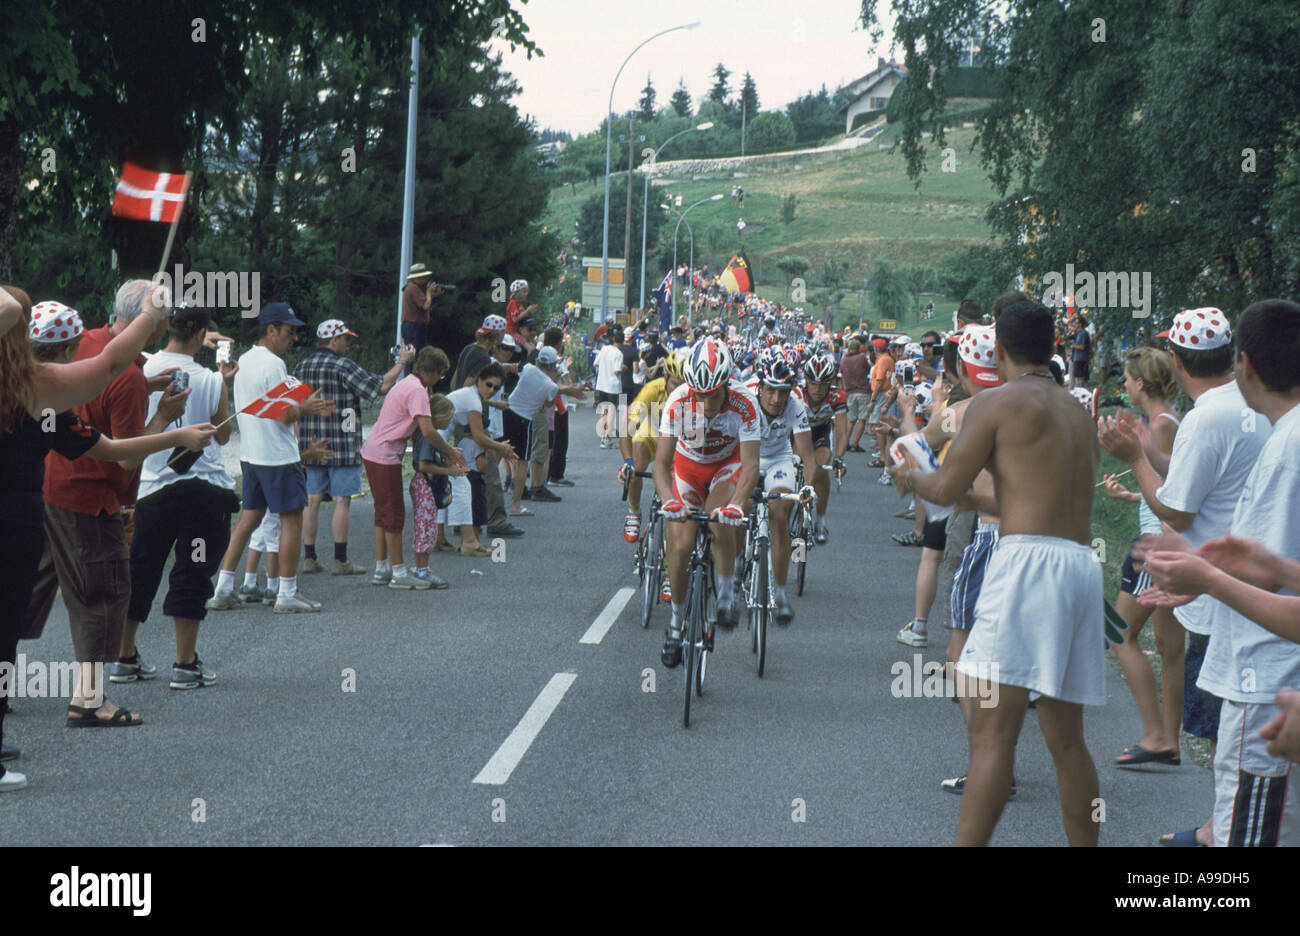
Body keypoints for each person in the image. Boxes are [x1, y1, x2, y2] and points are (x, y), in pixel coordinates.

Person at [901, 300, 1103, 846]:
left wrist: (907, 474)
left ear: (1003, 351)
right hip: (1081, 566)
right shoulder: (1076, 411)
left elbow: (942, 488)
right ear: (1052, 347)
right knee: (1068, 742)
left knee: (992, 737)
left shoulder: (996, 402)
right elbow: (1024, 490)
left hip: (1026, 563)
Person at [1, 287, 212, 789]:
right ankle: (89, 698)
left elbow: (113, 419)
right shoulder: (38, 386)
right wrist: (152, 314)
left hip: (41, 508)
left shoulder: (42, 387)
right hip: (55, 510)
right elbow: (118, 440)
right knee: (100, 597)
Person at [1098, 307, 1269, 847]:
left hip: (1216, 588)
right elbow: (1204, 486)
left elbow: (1175, 511)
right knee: (1235, 725)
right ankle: (1219, 826)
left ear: (1175, 357)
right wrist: (1148, 452)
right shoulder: (1251, 408)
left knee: (1227, 731)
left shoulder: (1204, 417)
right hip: (1248, 576)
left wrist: (1133, 456)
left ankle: (1225, 836)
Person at [1142, 299, 1300, 846]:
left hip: (1267, 677)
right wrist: (1223, 569)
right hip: (1271, 673)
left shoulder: (1287, 446)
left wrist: (1207, 580)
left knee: (1247, 840)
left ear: (1246, 364)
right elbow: (1271, 563)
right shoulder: (1279, 431)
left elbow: (1179, 511)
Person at [119, 304, 239, 691]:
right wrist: (226, 383)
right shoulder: (210, 379)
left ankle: (124, 656)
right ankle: (185, 663)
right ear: (201, 335)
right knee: (194, 566)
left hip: (152, 487)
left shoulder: (143, 370)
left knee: (142, 567)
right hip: (203, 492)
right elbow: (222, 435)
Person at [210, 302, 336, 613]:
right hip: (278, 457)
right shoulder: (274, 365)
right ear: (271, 330)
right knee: (292, 521)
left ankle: (223, 588)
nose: (293, 339)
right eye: (289, 332)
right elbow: (283, 415)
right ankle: (286, 592)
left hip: (251, 455)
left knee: (247, 521)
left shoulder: (245, 361)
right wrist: (304, 409)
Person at [1097, 348, 1184, 767]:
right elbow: (1167, 488)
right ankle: (1168, 740)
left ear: (1142, 384)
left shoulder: (1164, 425)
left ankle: (1156, 734)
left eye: (1128, 380)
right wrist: (1131, 494)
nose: (1124, 386)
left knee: (1119, 634)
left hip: (1156, 544)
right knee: (1169, 647)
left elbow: (1173, 492)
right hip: (1164, 538)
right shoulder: (1163, 422)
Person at [655, 338, 760, 666]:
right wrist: (668, 500)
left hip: (725, 468)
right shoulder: (677, 400)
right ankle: (676, 622)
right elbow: (660, 463)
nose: (706, 403)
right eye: (700, 396)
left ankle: (727, 596)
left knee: (718, 519)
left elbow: (752, 465)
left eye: (714, 395)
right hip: (687, 469)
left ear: (727, 384)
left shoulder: (745, 402)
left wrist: (738, 504)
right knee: (682, 544)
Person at [295, 319, 415, 576]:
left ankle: (310, 557)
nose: (348, 344)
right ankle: (340, 560)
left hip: (311, 443)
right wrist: (401, 363)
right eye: (346, 339)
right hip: (342, 442)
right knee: (341, 500)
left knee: (311, 500)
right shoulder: (342, 365)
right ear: (335, 339)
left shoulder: (301, 365)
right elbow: (380, 386)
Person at [360, 346, 463, 587]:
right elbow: (427, 430)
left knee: (383, 513)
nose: (440, 379)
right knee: (394, 514)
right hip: (384, 454)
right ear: (435, 371)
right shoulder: (417, 390)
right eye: (441, 375)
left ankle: (382, 567)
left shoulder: (407, 383)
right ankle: (399, 573)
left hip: (374, 450)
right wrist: (449, 452)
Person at [742, 348, 816, 625]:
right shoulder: (744, 398)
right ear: (759, 386)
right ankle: (738, 558)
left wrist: (808, 487)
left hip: (778, 459)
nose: (776, 399)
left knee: (780, 512)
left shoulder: (796, 405)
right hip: (745, 455)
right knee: (739, 508)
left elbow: (808, 456)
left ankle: (780, 591)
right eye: (771, 391)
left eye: (783, 392)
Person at [504, 347, 586, 513]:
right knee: (521, 463)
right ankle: (516, 505)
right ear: (553, 365)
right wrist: (564, 385)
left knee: (500, 454)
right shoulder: (549, 384)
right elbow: (550, 401)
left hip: (507, 413)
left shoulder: (528, 369)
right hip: (523, 420)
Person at [619, 349, 685, 544]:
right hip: (653, 435)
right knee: (637, 466)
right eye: (674, 383)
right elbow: (627, 429)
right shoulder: (652, 389)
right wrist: (628, 461)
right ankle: (633, 511)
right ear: (665, 378)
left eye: (684, 385)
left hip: (678, 440)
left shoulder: (694, 395)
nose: (678, 389)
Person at [796, 351, 848, 543]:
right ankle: (795, 505)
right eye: (813, 383)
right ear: (806, 382)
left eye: (823, 384)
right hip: (798, 434)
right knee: (795, 466)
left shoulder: (837, 396)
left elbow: (842, 432)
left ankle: (820, 520)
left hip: (820, 433)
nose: (817, 389)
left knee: (821, 467)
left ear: (830, 384)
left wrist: (839, 458)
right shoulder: (796, 394)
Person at [409, 394, 462, 584]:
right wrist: (448, 469)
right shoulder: (428, 436)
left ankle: (423, 567)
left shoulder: (429, 436)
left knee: (428, 526)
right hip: (425, 485)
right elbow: (423, 465)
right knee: (425, 527)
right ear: (437, 417)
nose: (450, 421)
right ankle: (421, 570)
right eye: (448, 417)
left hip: (426, 484)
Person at [401, 263, 446, 373]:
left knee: (411, 354)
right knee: (418, 355)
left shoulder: (409, 288)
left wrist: (433, 295)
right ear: (416, 278)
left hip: (409, 326)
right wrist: (429, 292)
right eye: (423, 277)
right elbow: (425, 305)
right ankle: (415, 377)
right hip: (415, 326)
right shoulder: (414, 289)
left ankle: (409, 377)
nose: (425, 279)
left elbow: (422, 303)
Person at [593, 329, 625, 449]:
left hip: (602, 384)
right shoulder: (619, 354)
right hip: (613, 386)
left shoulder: (604, 349)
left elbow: (595, 364)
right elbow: (616, 371)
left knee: (604, 410)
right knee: (611, 411)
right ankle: (607, 437)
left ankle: (602, 436)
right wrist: (623, 368)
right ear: (621, 342)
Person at [839, 338, 872, 451]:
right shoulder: (861, 358)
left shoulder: (843, 360)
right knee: (862, 419)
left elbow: (842, 374)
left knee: (851, 420)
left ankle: (845, 443)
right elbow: (868, 370)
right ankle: (855, 444)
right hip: (863, 391)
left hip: (849, 392)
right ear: (858, 348)